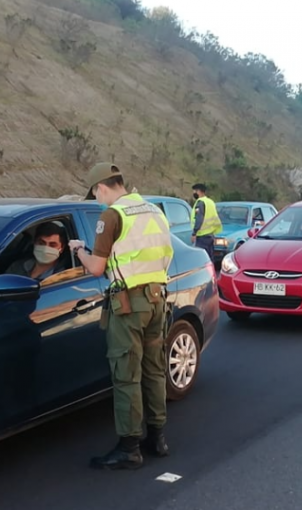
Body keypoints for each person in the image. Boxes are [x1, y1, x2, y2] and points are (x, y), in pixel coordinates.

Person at [69, 162, 173, 470]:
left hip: (129, 305)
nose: (98, 199)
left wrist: (79, 250)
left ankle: (129, 447)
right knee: (154, 370)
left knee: (126, 375)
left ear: (101, 187)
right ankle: (157, 437)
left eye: (96, 193)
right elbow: (164, 255)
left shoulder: (112, 215)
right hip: (157, 300)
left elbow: (97, 268)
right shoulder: (154, 211)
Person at [189, 183, 222, 260]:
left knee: (202, 258)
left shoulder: (200, 203)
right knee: (210, 257)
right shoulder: (210, 202)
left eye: (195, 191)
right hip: (210, 235)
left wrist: (194, 233)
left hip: (202, 236)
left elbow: (199, 219)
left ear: (199, 191)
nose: (194, 193)